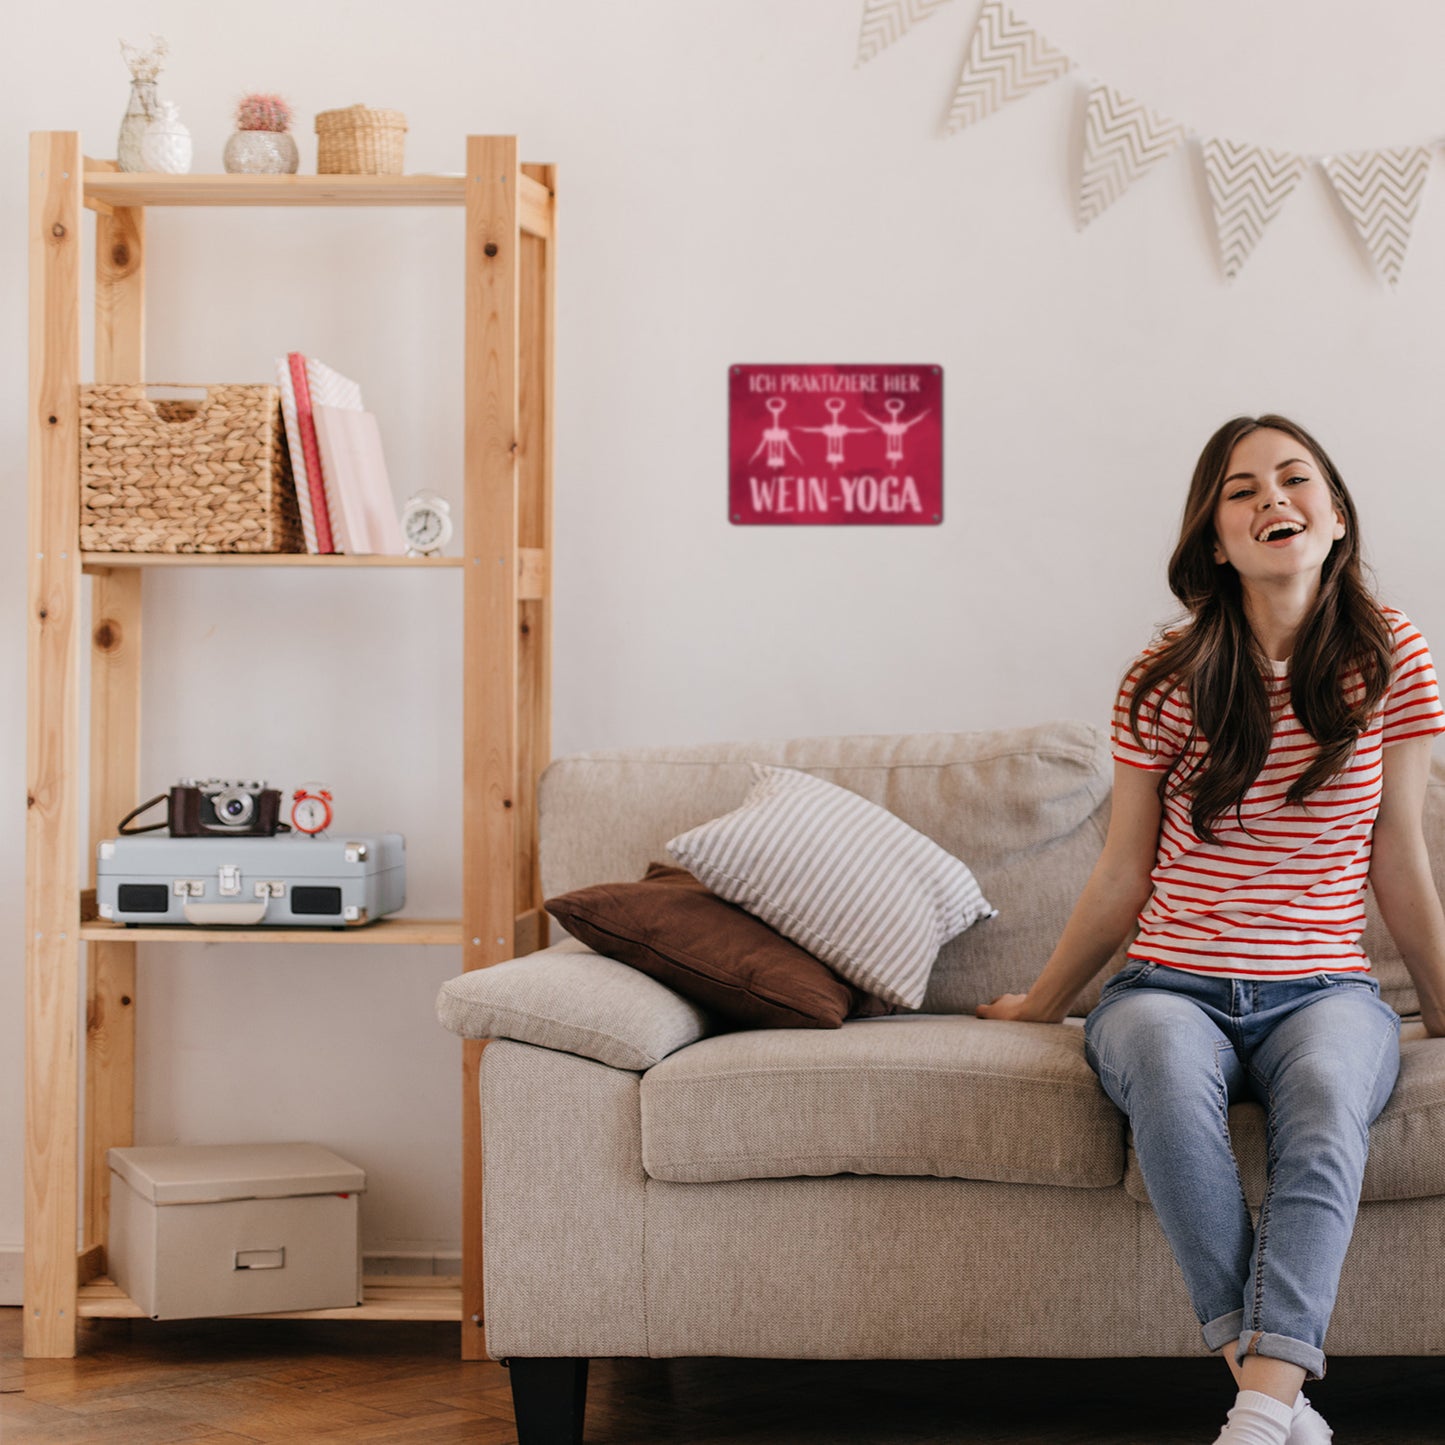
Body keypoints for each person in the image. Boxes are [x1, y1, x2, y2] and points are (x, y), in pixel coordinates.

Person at [976, 415, 1445, 1445]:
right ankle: (1273, 1397)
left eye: (1293, 478)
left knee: (1326, 1096)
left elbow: (1396, 853)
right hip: (1165, 984)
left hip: (1323, 990)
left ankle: (1257, 1408)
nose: (1271, 498)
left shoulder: (1390, 653)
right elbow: (1122, 871)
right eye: (1241, 489)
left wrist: (1444, 1009)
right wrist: (1042, 1003)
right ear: (1214, 537)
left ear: (1332, 518)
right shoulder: (1164, 670)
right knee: (1157, 1069)